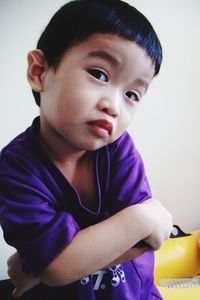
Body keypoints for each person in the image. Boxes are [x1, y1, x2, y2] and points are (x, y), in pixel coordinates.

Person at [0, 0, 173, 299]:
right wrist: (142, 218)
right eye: (99, 74)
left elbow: (152, 239)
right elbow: (57, 267)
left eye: (131, 94)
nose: (113, 106)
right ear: (40, 72)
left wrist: (35, 267)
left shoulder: (119, 149)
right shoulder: (16, 167)